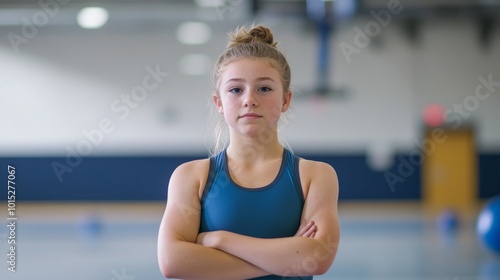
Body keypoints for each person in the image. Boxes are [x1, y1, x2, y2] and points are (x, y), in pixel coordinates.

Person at [157, 24, 340, 280]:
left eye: (264, 88)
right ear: (219, 103)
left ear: (285, 100)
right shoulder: (191, 176)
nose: (249, 99)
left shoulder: (314, 176)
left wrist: (220, 239)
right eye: (235, 89)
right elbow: (172, 263)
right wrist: (285, 260)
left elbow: (317, 258)